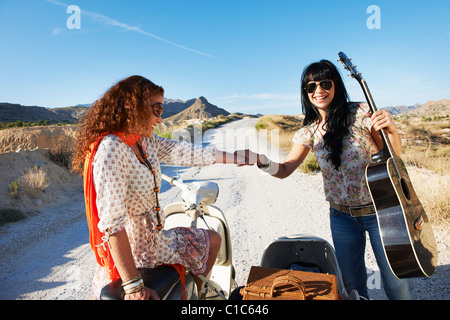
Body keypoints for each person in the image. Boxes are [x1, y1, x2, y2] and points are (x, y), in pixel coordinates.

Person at [243, 60, 413, 299]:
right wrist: (261, 161)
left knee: (396, 282)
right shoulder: (309, 131)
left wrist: (392, 129)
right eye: (311, 87)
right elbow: (285, 169)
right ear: (305, 93)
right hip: (341, 217)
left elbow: (393, 155)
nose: (318, 91)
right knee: (352, 285)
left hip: (380, 213)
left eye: (324, 83)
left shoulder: (360, 113)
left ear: (336, 85)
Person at [72, 75, 245, 300]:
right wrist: (134, 287)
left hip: (156, 241)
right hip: (137, 254)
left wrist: (237, 157)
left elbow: (187, 152)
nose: (160, 119)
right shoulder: (112, 150)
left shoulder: (144, 141)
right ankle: (197, 297)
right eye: (156, 109)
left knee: (213, 239)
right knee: (212, 241)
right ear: (133, 107)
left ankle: (196, 296)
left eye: (161, 110)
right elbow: (113, 225)